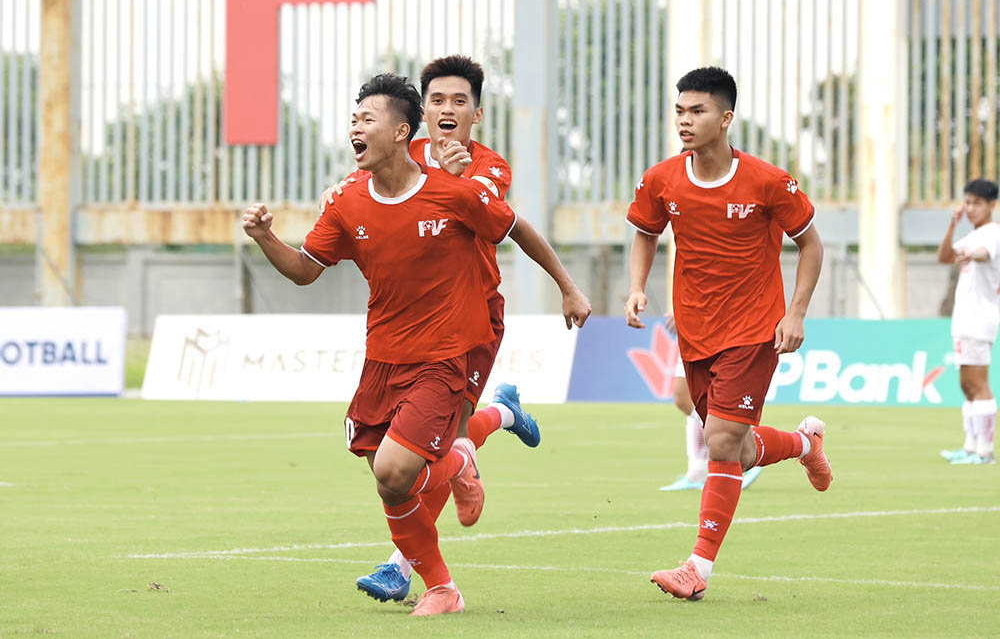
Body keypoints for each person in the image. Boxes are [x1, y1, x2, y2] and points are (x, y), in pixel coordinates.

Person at [242, 73, 591, 616]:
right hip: (382, 358)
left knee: (395, 470)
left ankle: (427, 571)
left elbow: (516, 225)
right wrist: (266, 238)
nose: (356, 128)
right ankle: (477, 457)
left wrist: (568, 287)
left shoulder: (459, 186)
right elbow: (306, 271)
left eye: (367, 119)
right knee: (391, 480)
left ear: (401, 130)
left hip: (455, 345)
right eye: (353, 120)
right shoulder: (348, 201)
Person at [321, 56, 550, 603]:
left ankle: (408, 566)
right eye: (438, 101)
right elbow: (368, 191)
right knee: (439, 443)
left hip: (471, 319)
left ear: (477, 112)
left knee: (418, 451)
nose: (447, 110)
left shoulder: (488, 166)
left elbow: (492, 212)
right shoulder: (400, 157)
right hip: (409, 330)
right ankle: (493, 426)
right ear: (419, 112)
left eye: (459, 101)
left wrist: (459, 174)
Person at [625, 66, 828, 601]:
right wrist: (638, 287)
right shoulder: (661, 179)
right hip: (695, 331)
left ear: (726, 118)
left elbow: (811, 245)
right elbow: (645, 234)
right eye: (680, 111)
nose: (685, 121)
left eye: (697, 111)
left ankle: (697, 570)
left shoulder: (766, 181)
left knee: (718, 442)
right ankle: (805, 443)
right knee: (734, 452)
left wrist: (796, 313)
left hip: (754, 329)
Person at [659, 314, 763, 492]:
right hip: (692, 329)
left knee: (691, 398)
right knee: (690, 398)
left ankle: (744, 448)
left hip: (718, 326)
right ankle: (698, 470)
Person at [937, 178, 1000, 466]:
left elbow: (985, 254)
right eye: (968, 202)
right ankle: (971, 446)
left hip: (980, 317)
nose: (971, 208)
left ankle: (984, 450)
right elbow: (944, 257)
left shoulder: (992, 234)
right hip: (965, 319)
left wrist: (972, 255)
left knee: (978, 382)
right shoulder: (973, 235)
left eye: (977, 203)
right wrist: (953, 226)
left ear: (992, 205)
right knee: (966, 384)